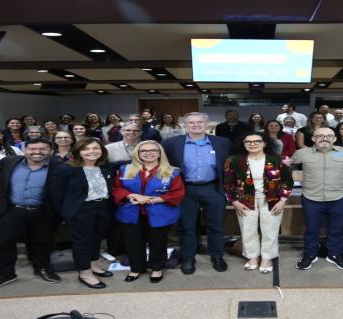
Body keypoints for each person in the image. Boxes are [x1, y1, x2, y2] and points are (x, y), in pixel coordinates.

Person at [0, 138, 63, 292]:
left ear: (50, 151)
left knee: (42, 241)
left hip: (42, 211)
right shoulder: (8, 162)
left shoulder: (60, 167)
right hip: (11, 209)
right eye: (32, 149)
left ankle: (42, 268)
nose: (37, 152)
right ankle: (6, 274)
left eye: (43, 149)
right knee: (3, 243)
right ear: (24, 150)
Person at [162, 112, 232, 274]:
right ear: (185, 125)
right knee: (186, 225)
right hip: (184, 189)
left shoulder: (222, 142)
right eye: (191, 122)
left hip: (213, 188)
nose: (195, 125)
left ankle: (217, 256)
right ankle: (188, 257)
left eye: (199, 122)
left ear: (206, 124)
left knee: (216, 225)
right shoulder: (171, 143)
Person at [113, 141, 185, 283]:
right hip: (131, 212)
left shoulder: (172, 172)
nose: (149, 153)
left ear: (160, 153)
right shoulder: (125, 169)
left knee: (158, 242)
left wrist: (151, 200)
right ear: (137, 153)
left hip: (160, 213)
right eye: (144, 151)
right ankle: (136, 269)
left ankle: (157, 268)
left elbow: (177, 193)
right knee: (133, 242)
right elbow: (117, 188)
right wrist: (133, 195)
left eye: (153, 150)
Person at [51, 137, 118, 289]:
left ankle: (93, 265)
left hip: (102, 208)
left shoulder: (107, 167)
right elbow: (56, 195)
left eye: (95, 148)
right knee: (82, 242)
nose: (91, 152)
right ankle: (84, 273)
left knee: (96, 239)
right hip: (79, 210)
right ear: (78, 152)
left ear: (102, 151)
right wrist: (62, 214)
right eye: (86, 149)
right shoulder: (66, 169)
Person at [224, 132, 293, 274]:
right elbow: (228, 183)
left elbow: (287, 181)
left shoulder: (277, 160)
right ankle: (252, 257)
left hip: (272, 201)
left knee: (270, 230)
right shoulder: (234, 160)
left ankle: (267, 258)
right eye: (248, 141)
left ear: (264, 143)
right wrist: (235, 202)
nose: (252, 144)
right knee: (248, 230)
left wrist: (282, 201)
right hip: (245, 201)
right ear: (243, 144)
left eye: (257, 141)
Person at [291, 127, 343, 271]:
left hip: (339, 197)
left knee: (336, 229)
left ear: (334, 139)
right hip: (311, 197)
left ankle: (335, 254)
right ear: (313, 139)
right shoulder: (301, 153)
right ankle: (310, 254)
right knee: (311, 229)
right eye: (320, 136)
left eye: (329, 136)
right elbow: (289, 168)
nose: (325, 138)